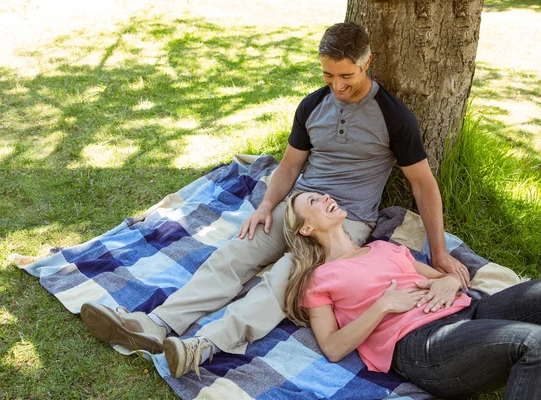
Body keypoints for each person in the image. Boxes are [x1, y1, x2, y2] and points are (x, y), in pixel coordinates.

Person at [80, 22, 470, 379]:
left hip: (345, 220)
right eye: (328, 75)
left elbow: (424, 185)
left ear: (368, 63)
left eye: (346, 76)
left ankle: (204, 346)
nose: (337, 85)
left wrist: (438, 253)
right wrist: (267, 206)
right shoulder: (312, 106)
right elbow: (288, 167)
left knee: (286, 276)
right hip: (297, 207)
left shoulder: (394, 117)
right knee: (234, 254)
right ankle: (157, 324)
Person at [283, 190, 541, 399]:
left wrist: (450, 281)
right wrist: (382, 305)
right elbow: (332, 348)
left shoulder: (383, 247)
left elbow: (441, 278)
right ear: (306, 229)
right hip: (423, 344)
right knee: (534, 343)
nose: (326, 198)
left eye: (323, 195)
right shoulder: (318, 278)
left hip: (467, 310)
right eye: (313, 201)